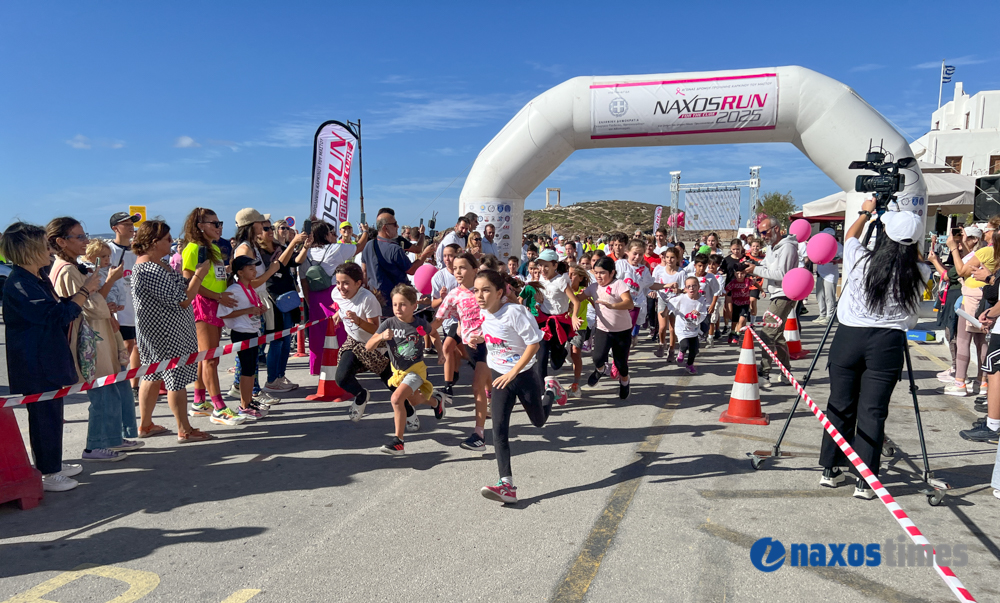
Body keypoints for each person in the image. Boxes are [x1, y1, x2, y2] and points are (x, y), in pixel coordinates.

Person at [818, 203, 930, 500]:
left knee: (839, 405)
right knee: (873, 412)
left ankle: (831, 468)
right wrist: (909, 239)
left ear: (885, 237)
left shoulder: (861, 260)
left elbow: (851, 238)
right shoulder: (919, 271)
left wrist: (867, 213)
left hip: (849, 338)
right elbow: (917, 256)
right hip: (887, 344)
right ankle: (865, 481)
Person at [2, 221, 96, 491]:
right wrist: (85, 290)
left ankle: (51, 462)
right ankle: (48, 471)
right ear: (28, 250)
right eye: (44, 245)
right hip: (34, 362)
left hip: (49, 357)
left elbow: (60, 308)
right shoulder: (19, 283)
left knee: (53, 412)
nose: (49, 250)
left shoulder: (39, 277)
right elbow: (57, 316)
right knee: (43, 415)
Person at [47, 217, 138, 462]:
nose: (85, 241)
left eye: (84, 235)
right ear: (61, 242)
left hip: (98, 335)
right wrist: (102, 297)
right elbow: (89, 307)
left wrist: (101, 300)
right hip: (90, 340)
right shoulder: (66, 270)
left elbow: (93, 303)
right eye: (79, 237)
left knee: (111, 389)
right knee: (101, 394)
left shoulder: (74, 267)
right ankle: (95, 445)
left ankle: (111, 438)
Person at [132, 219, 218, 441]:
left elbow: (181, 288)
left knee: (153, 374)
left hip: (160, 331)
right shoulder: (149, 268)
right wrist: (200, 274)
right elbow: (182, 299)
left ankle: (146, 425)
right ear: (153, 242)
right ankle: (185, 429)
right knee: (175, 379)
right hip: (166, 333)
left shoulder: (157, 264)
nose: (172, 243)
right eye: (167, 239)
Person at [469, 270, 548, 504]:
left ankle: (552, 390)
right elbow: (495, 334)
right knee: (499, 431)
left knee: (539, 421)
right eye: (476, 290)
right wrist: (480, 339)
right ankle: (507, 485)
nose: (480, 295)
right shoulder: (484, 312)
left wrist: (513, 371)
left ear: (499, 292)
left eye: (486, 290)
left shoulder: (515, 312)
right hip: (499, 378)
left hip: (523, 376)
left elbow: (534, 343)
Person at [329, 263, 414, 422]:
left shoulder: (367, 299)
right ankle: (361, 395)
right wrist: (338, 314)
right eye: (338, 282)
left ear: (358, 283)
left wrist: (358, 321)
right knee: (341, 378)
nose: (341, 287)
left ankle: (410, 414)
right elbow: (342, 305)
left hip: (376, 345)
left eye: (346, 283)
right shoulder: (336, 293)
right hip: (354, 343)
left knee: (393, 385)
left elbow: (376, 329)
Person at [367, 284, 445, 455]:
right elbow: (368, 346)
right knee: (414, 401)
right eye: (395, 304)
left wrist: (440, 352)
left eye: (402, 304)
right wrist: (381, 336)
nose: (398, 308)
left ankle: (398, 442)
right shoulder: (388, 323)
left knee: (396, 399)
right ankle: (435, 402)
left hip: (416, 370)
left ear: (413, 306)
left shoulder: (420, 323)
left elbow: (434, 334)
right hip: (398, 372)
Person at [181, 208, 237, 421]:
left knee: (205, 357)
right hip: (203, 304)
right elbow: (189, 282)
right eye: (214, 223)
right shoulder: (193, 248)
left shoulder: (212, 248)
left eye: (219, 222)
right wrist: (217, 296)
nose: (219, 226)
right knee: (210, 358)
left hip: (216, 303)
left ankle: (199, 400)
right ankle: (219, 406)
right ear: (200, 226)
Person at [432, 252, 491, 451]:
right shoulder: (454, 294)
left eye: (463, 267)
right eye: (455, 268)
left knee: (477, 387)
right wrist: (415, 329)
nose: (458, 272)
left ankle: (479, 435)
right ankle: (491, 400)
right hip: (470, 346)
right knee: (488, 385)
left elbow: (504, 307)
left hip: (490, 345)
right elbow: (438, 321)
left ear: (475, 270)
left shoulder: (486, 289)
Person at [744, 215, 799, 387]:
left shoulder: (787, 248)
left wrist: (757, 270)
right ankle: (786, 372)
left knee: (767, 332)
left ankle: (764, 373)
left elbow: (783, 274)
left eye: (764, 232)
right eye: (760, 233)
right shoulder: (772, 248)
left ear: (776, 229)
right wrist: (753, 268)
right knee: (778, 335)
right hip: (777, 294)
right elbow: (768, 268)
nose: (762, 236)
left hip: (785, 294)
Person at [945, 225, 997, 397]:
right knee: (981, 341)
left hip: (973, 298)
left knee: (963, 340)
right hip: (984, 297)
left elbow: (961, 270)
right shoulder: (992, 252)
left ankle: (960, 382)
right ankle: (982, 381)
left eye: (988, 228)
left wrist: (953, 247)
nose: (985, 231)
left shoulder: (986, 252)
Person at [217, 255, 270, 421]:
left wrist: (257, 310)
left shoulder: (248, 289)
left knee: (251, 369)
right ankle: (244, 405)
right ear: (240, 272)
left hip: (252, 331)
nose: (254, 271)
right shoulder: (233, 290)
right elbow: (223, 314)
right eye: (250, 268)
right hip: (241, 332)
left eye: (255, 268)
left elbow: (250, 308)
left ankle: (248, 401)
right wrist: (247, 311)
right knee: (247, 370)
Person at [362, 210, 436, 317]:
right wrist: (424, 255)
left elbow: (364, 271)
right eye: (394, 224)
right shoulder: (395, 249)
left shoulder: (369, 245)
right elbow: (411, 270)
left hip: (375, 299)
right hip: (395, 301)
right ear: (385, 227)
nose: (397, 226)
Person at [261, 219, 304, 392]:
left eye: (287, 228)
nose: (285, 231)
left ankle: (280, 376)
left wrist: (305, 246)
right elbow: (279, 264)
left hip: (288, 297)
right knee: (277, 341)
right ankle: (272, 379)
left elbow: (295, 262)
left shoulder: (281, 247)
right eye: (282, 228)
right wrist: (293, 243)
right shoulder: (263, 251)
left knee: (286, 341)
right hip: (274, 297)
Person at [535, 249, 582, 405]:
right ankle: (542, 393)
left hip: (559, 323)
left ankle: (563, 350)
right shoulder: (540, 281)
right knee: (540, 357)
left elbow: (575, 301)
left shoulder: (561, 281)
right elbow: (538, 301)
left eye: (546, 266)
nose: (542, 269)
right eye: (540, 266)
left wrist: (574, 316)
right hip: (543, 322)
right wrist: (537, 301)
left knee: (556, 364)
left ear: (555, 265)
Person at [584, 256, 634, 398]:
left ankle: (624, 382)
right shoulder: (594, 287)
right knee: (597, 357)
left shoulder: (619, 284)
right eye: (596, 272)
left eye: (602, 273)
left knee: (621, 364)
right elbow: (579, 297)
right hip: (603, 329)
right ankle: (600, 370)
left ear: (612, 273)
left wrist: (612, 306)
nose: (598, 276)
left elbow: (629, 303)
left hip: (622, 331)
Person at [107, 211, 142, 400]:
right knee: (124, 347)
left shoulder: (137, 251)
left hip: (138, 309)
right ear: (115, 228)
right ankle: (117, 384)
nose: (131, 227)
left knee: (137, 346)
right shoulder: (109, 250)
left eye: (132, 223)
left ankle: (133, 385)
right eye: (126, 224)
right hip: (119, 311)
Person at [668, 276, 709, 374]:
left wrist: (699, 314)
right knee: (685, 344)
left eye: (694, 286)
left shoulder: (701, 299)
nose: (692, 288)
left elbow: (704, 313)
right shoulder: (681, 298)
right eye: (689, 286)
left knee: (694, 350)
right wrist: (667, 312)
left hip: (694, 329)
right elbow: (670, 304)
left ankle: (689, 365)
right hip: (682, 327)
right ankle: (681, 352)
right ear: (685, 289)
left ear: (699, 287)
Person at [653, 247, 685, 361]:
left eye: (672, 258)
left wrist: (679, 290)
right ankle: (662, 344)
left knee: (672, 328)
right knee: (662, 327)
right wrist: (652, 291)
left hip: (675, 302)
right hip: (662, 299)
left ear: (677, 259)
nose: (669, 260)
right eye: (667, 257)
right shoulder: (659, 270)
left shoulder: (681, 272)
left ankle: (671, 350)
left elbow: (684, 289)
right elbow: (653, 283)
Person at [567, 265, 591, 398]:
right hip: (564, 326)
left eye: (573, 274)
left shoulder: (585, 291)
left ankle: (576, 383)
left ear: (581, 278)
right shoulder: (564, 289)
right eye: (568, 274)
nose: (570, 277)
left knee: (575, 352)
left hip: (580, 326)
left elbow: (596, 303)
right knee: (566, 353)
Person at [814, 228, 843, 325]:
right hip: (820, 273)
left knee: (829, 296)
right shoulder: (820, 245)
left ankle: (829, 316)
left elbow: (844, 258)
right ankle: (822, 314)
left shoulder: (838, 246)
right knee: (819, 295)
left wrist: (836, 261)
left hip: (830, 275)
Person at [725, 266, 752, 344]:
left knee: (742, 320)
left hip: (745, 304)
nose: (740, 276)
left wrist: (762, 291)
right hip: (736, 304)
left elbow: (756, 284)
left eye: (742, 274)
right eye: (738, 274)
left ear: (745, 274)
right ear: (735, 274)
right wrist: (720, 295)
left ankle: (737, 335)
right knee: (734, 321)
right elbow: (726, 291)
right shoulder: (733, 283)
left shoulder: (747, 281)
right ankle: (732, 333)